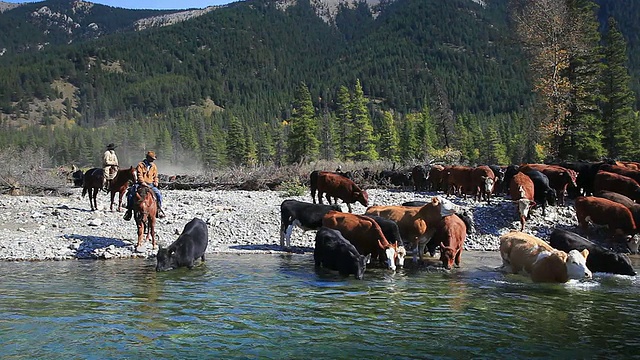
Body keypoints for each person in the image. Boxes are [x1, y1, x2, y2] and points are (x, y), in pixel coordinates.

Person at [123, 151, 165, 220]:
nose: (153, 160)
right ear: (148, 158)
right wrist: (142, 182)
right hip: (141, 183)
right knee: (131, 193)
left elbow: (156, 176)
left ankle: (158, 209)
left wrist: (156, 182)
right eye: (152, 159)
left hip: (151, 184)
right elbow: (139, 175)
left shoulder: (154, 166)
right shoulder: (140, 165)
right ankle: (129, 210)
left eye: (153, 159)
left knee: (158, 194)